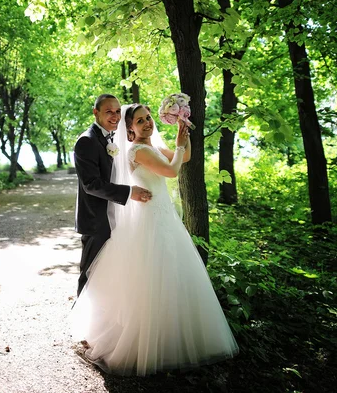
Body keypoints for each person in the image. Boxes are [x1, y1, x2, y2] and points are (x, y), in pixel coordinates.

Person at [71, 103, 239, 376]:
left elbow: (181, 159)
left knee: (172, 274)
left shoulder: (152, 146)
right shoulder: (139, 150)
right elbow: (171, 172)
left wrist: (183, 136)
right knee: (152, 277)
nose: (147, 123)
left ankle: (173, 335)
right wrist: (180, 145)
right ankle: (145, 342)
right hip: (150, 220)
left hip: (164, 217)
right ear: (130, 130)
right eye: (140, 121)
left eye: (148, 118)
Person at [73, 94, 153, 297]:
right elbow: (91, 185)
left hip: (116, 216)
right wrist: (129, 193)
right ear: (96, 112)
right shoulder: (86, 141)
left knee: (108, 274)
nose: (115, 116)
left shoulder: (113, 138)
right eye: (109, 111)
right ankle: (80, 319)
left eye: (118, 111)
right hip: (96, 220)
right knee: (90, 273)